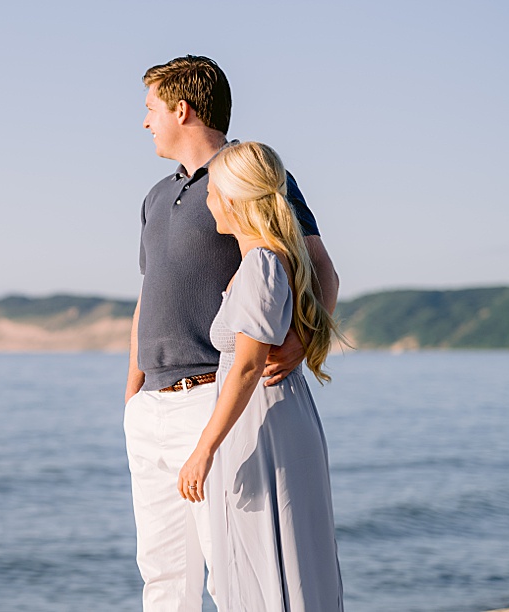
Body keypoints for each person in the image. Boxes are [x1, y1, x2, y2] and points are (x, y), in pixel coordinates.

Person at [123, 56, 339, 611]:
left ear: (182, 109)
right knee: (162, 573)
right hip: (151, 407)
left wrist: (301, 342)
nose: (144, 121)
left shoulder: (247, 176)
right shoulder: (153, 196)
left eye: (150, 108)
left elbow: (319, 270)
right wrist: (133, 391)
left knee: (232, 572)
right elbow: (149, 294)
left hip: (212, 397)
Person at [176, 141, 344, 611]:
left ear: (230, 199)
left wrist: (203, 449)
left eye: (211, 192)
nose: (206, 202)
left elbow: (249, 365)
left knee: (267, 555)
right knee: (278, 554)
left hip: (262, 422)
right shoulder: (270, 260)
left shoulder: (261, 265)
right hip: (268, 417)